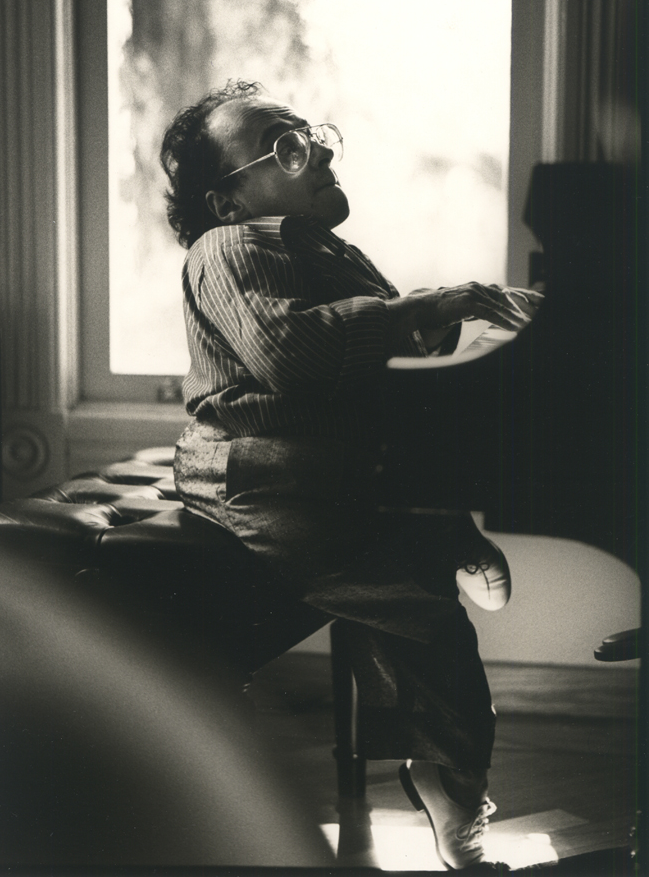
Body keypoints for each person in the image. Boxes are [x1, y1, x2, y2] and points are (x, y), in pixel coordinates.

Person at [160, 79, 542, 871]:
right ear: (226, 201)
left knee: (408, 510)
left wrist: (444, 322)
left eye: (313, 136)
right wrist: (435, 304)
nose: (319, 153)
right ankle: (450, 777)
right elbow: (291, 351)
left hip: (324, 471)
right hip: (261, 478)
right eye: (285, 147)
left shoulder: (326, 252)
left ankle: (441, 542)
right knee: (424, 613)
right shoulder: (229, 247)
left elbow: (386, 350)